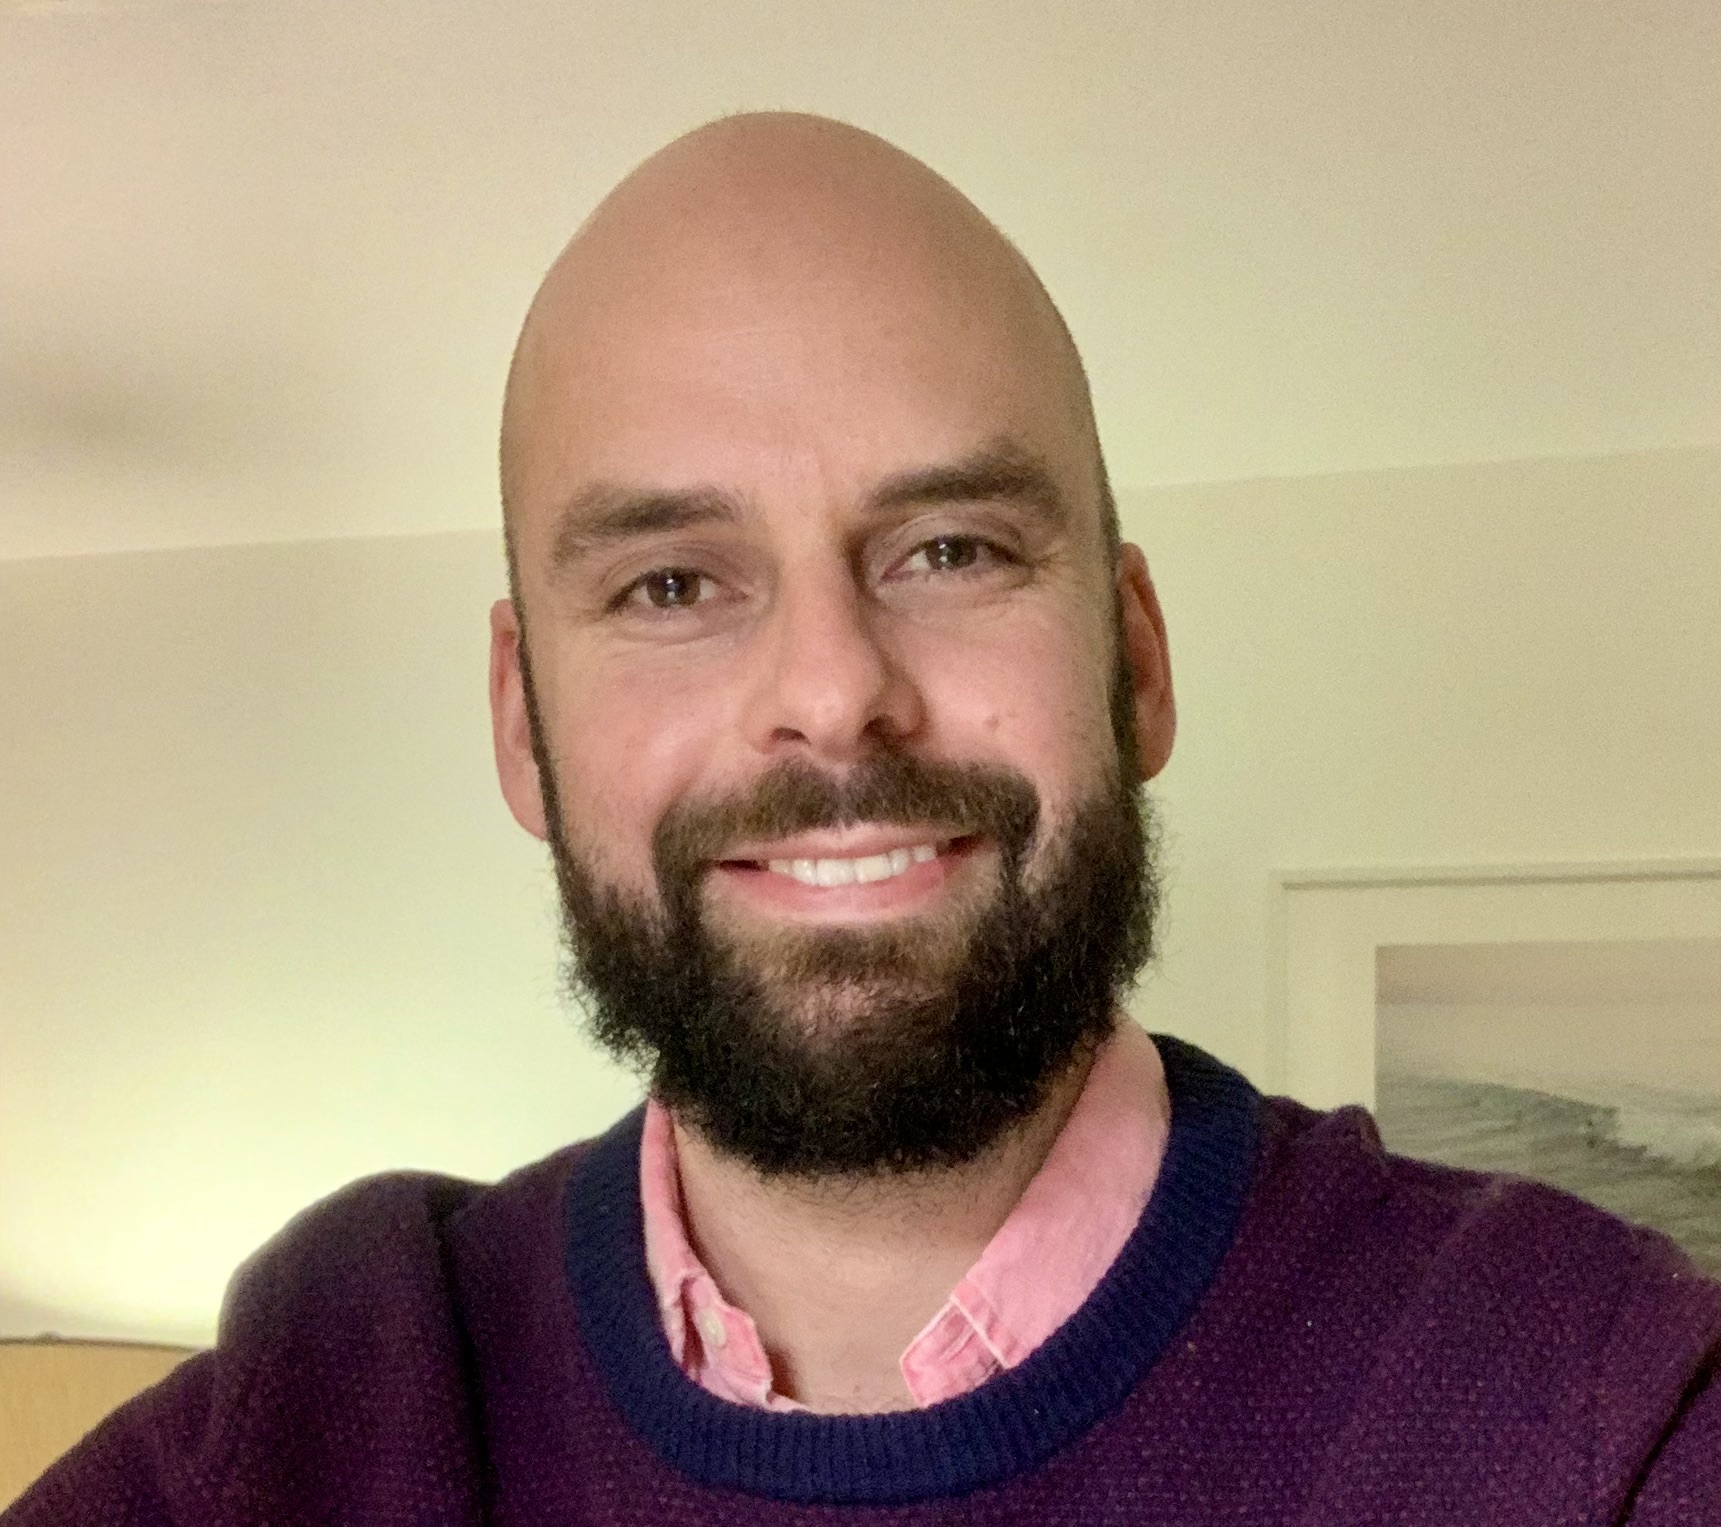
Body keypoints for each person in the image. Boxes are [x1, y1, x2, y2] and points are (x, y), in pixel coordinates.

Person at [8, 112, 1718, 1525]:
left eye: (950, 550)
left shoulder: (1594, 1403)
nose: (832, 693)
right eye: (673, 583)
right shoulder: (321, 1412)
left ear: (1134, 662)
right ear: (521, 726)